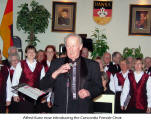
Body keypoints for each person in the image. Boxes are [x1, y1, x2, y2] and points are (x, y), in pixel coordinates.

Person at [40, 34, 103, 113]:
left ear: (80, 47)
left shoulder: (92, 65)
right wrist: (57, 72)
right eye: (68, 46)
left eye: (73, 46)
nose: (71, 49)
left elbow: (99, 88)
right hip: (61, 110)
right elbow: (42, 86)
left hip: (83, 109)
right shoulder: (56, 63)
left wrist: (88, 92)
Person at [12, 45, 45, 113]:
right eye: (29, 52)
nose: (31, 53)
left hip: (36, 96)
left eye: (33, 52)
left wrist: (43, 95)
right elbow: (15, 80)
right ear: (26, 54)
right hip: (23, 96)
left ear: (35, 54)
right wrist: (15, 95)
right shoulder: (20, 64)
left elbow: (43, 82)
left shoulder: (40, 66)